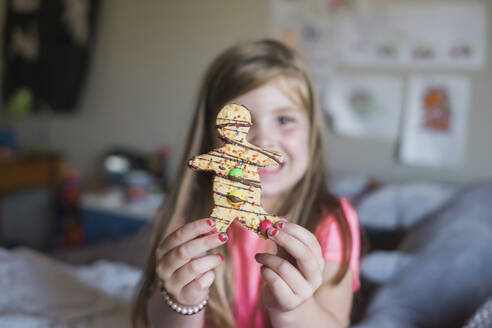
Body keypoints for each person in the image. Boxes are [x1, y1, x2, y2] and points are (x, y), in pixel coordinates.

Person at [132, 39, 360, 328]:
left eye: (285, 119)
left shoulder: (332, 219)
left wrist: (292, 310)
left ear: (311, 133)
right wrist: (182, 302)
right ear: (210, 136)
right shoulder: (186, 216)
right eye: (241, 124)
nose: (262, 139)